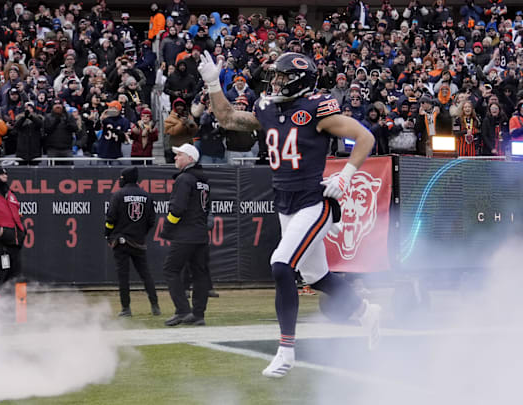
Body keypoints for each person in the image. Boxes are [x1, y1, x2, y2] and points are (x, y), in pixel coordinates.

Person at [197, 51, 381, 378]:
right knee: (316, 276)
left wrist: (347, 174)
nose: (275, 82)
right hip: (286, 202)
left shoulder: (316, 109)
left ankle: (286, 350)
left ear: (298, 80)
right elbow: (227, 119)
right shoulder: (267, 108)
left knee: (281, 265)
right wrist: (213, 82)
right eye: (275, 77)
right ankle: (368, 311)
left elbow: (365, 137)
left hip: (315, 201)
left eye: (282, 77)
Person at [160, 143, 211, 327]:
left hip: (185, 234)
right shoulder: (203, 181)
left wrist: (167, 229)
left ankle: (182, 310)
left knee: (170, 269)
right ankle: (198, 315)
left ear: (189, 159)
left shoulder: (184, 179)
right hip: (201, 233)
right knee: (200, 274)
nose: (175, 158)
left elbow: (178, 209)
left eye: (179, 155)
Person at [104, 167, 161, 317]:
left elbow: (110, 219)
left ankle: (126, 308)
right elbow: (151, 221)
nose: (119, 180)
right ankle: (155, 306)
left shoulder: (118, 195)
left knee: (123, 276)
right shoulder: (147, 196)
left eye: (121, 177)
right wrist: (141, 234)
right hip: (138, 242)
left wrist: (107, 234)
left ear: (125, 178)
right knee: (146, 274)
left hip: (121, 242)